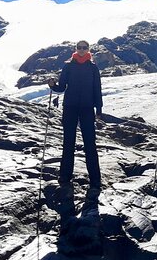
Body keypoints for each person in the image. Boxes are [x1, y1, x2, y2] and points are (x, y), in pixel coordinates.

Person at [48, 40, 103, 196]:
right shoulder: (68, 66)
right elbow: (61, 86)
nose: (81, 50)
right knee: (68, 142)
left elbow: (97, 89)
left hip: (87, 108)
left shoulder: (93, 68)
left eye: (84, 48)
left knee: (90, 144)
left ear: (88, 50)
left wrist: (99, 109)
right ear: (76, 49)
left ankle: (95, 180)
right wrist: (53, 85)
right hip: (70, 107)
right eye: (79, 48)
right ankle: (65, 177)